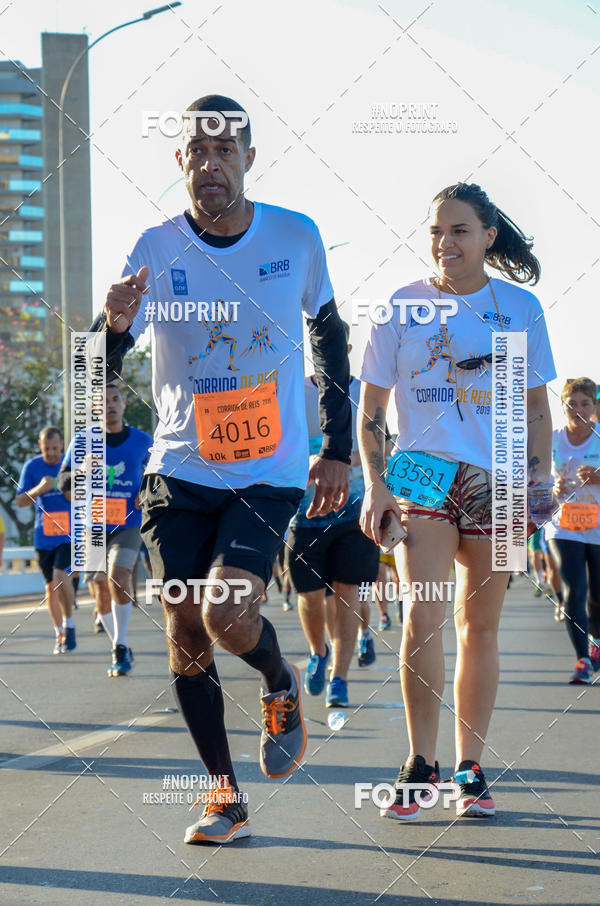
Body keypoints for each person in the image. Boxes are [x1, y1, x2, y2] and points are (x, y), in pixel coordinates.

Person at [95, 95, 351, 844]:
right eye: (196, 154)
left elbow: (330, 344)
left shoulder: (295, 236)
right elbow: (95, 376)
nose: (210, 165)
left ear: (247, 158)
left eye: (224, 151)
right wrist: (107, 326)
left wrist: (335, 445)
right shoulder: (153, 245)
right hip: (178, 469)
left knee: (227, 612)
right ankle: (225, 795)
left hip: (268, 465)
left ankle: (279, 679)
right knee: (183, 624)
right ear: (180, 164)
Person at [359, 182, 555, 820]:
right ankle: (422, 763)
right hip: (421, 472)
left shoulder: (519, 309)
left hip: (497, 477)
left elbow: (534, 410)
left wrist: (540, 482)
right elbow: (371, 412)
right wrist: (377, 484)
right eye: (436, 232)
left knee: (482, 627)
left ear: (488, 236)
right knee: (423, 615)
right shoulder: (403, 306)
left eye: (460, 231)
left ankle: (470, 768)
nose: (445, 244)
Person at [286, 323, 380, 706]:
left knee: (346, 596)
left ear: (349, 347)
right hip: (304, 515)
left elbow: (383, 449)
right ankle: (316, 653)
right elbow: (276, 446)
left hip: (355, 514)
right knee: (309, 597)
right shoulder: (291, 391)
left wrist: (337, 460)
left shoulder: (364, 391)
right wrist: (305, 459)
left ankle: (339, 677)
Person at [57, 384, 152, 676]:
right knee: (98, 587)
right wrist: (82, 471)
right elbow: (65, 485)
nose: (110, 405)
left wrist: (146, 494)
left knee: (118, 576)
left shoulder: (142, 441)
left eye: (115, 399)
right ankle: (118, 643)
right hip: (93, 523)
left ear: (124, 403)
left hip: (129, 522)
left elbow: (159, 478)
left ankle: (120, 645)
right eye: (103, 401)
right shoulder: (83, 441)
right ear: (96, 408)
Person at [546, 378, 600, 683]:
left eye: (585, 404)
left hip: (598, 526)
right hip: (564, 524)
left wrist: (597, 477)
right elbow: (533, 478)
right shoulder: (552, 439)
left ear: (593, 407)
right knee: (574, 590)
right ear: (563, 404)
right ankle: (582, 659)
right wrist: (552, 486)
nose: (578, 410)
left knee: (597, 593)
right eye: (572, 403)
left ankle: (597, 644)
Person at [16, 426, 76, 653]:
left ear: (62, 445)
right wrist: (40, 488)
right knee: (50, 587)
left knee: (60, 577)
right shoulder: (32, 467)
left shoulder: (70, 465)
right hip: (44, 536)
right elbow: (21, 501)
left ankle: (70, 626)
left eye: (54, 448)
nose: (50, 453)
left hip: (69, 535)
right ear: (40, 446)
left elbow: (86, 497)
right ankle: (59, 632)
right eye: (46, 448)